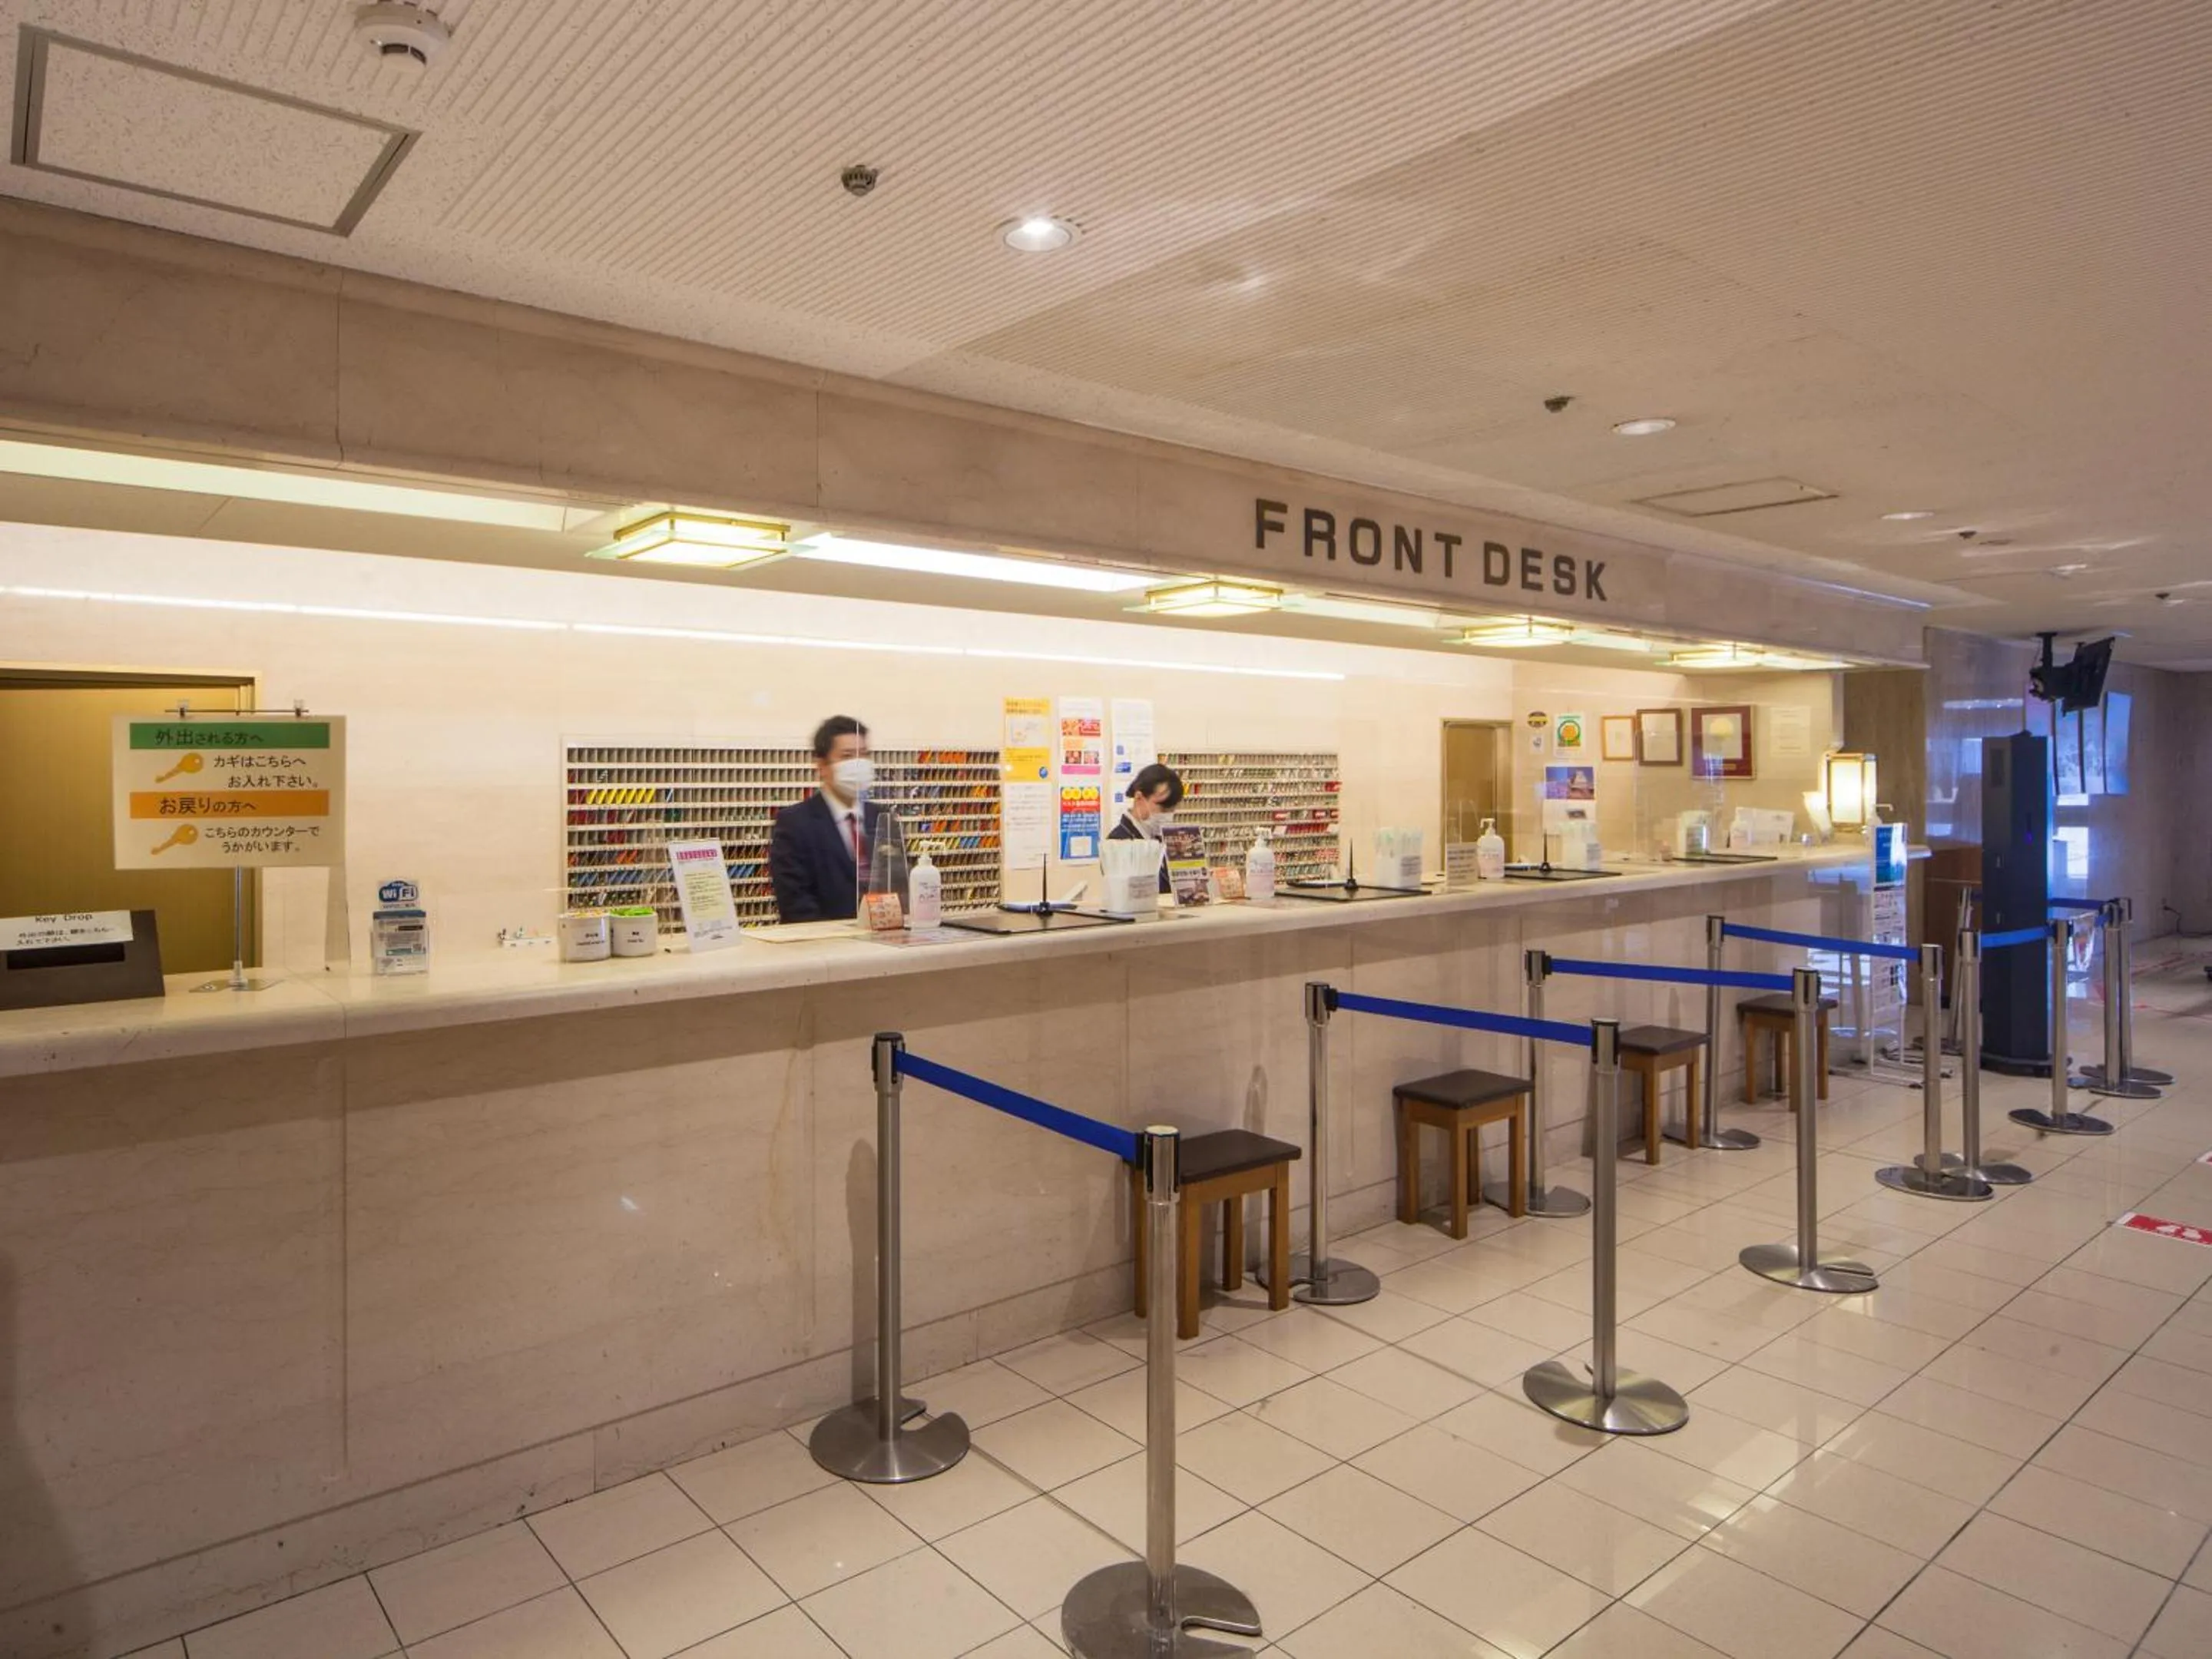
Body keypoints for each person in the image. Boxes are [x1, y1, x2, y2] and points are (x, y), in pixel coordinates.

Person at [770, 714, 902, 922]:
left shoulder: (883, 818)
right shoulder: (795, 824)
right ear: (822, 766)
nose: (858, 764)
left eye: (864, 755)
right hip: (823, 939)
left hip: (886, 938)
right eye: (847, 756)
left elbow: (901, 885)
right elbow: (795, 903)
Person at [1105, 761, 1185, 894]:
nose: (1167, 815)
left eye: (1171, 810)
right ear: (1139, 798)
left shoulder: (1163, 838)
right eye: (1163, 808)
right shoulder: (1117, 842)